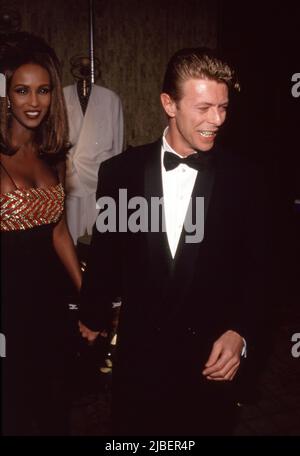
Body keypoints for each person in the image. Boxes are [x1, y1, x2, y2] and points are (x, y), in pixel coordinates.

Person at [78, 47, 273, 435]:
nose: (216, 120)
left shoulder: (245, 179)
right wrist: (92, 315)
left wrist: (241, 332)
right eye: (203, 108)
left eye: (223, 107)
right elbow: (106, 254)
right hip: (140, 363)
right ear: (169, 103)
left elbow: (262, 271)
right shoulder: (121, 173)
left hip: (209, 366)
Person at [0, 32, 82, 435]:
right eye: (22, 90)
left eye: (44, 90)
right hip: (8, 308)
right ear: (6, 95)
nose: (34, 102)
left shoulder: (54, 157)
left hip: (50, 303)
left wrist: (88, 292)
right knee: (11, 405)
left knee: (54, 401)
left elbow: (61, 234)